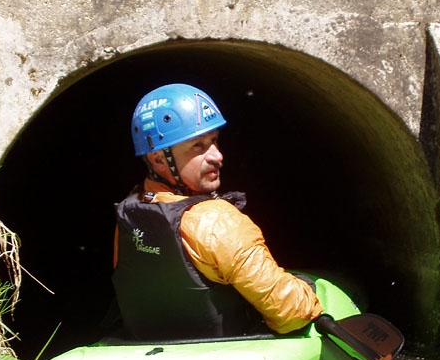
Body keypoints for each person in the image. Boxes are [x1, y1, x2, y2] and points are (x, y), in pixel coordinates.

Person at [111, 83, 324, 340]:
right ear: (158, 159)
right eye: (198, 146)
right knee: (315, 292)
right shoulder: (216, 221)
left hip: (149, 345)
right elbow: (292, 314)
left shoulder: (132, 213)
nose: (217, 156)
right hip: (224, 351)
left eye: (214, 141)